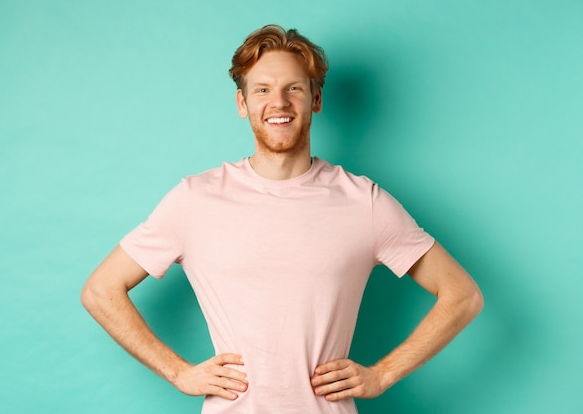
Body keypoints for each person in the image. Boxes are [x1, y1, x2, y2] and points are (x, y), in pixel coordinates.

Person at [81, 25, 483, 414]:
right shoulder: (195, 199)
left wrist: (383, 374)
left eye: (293, 88)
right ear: (243, 104)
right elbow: (101, 291)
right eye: (262, 90)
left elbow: (462, 296)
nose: (279, 102)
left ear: (316, 98)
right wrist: (179, 373)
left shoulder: (365, 202)